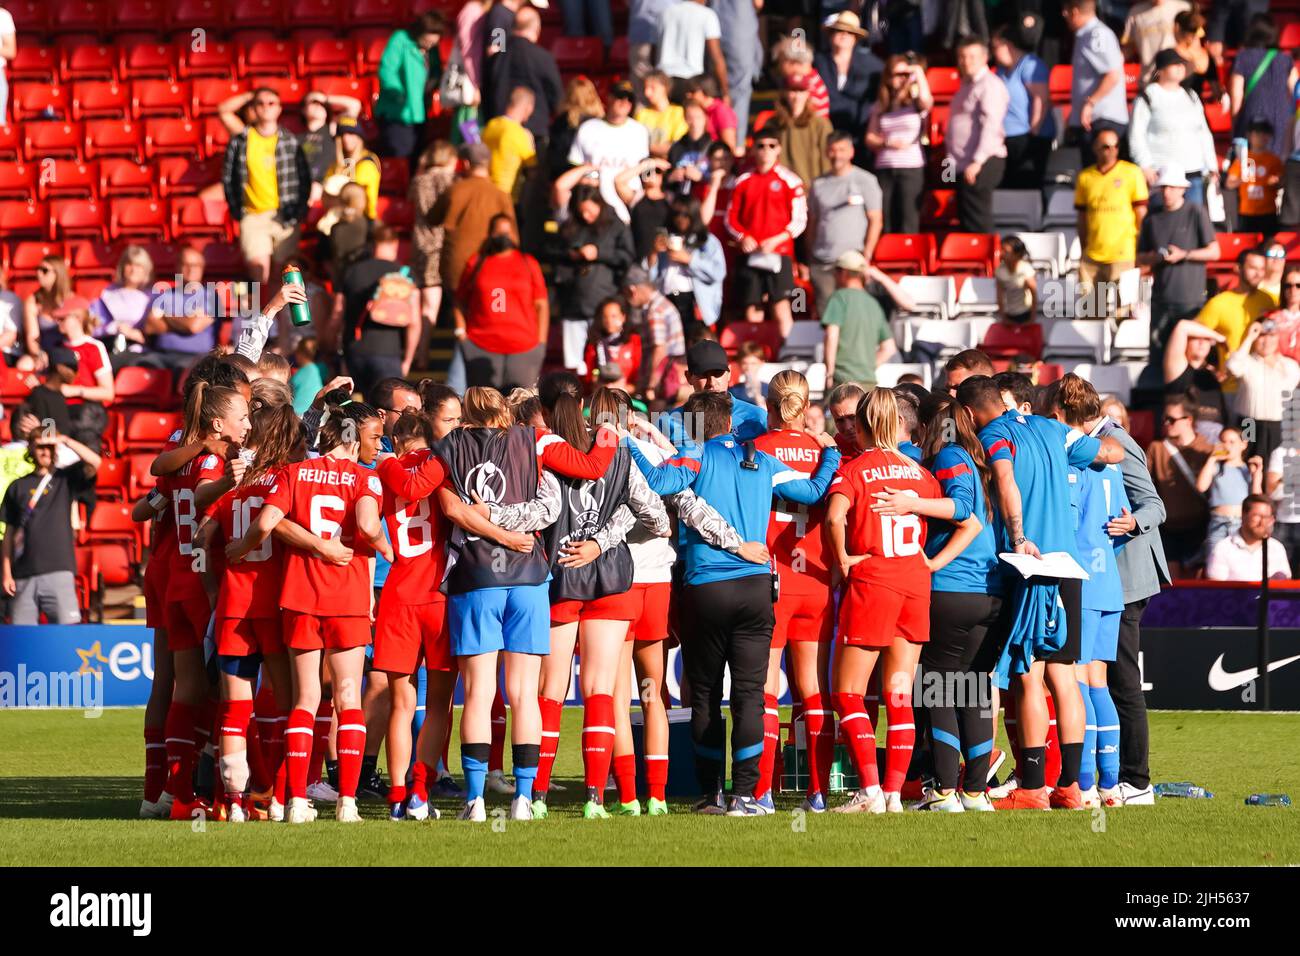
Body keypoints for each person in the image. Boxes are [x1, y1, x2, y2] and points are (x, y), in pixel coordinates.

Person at [631, 388, 840, 815]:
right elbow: (816, 490)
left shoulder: (696, 457)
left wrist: (629, 446)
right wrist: (831, 451)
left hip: (705, 588)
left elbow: (659, 482)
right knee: (749, 692)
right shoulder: (760, 459)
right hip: (754, 588)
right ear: (729, 422)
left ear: (696, 427)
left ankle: (712, 794)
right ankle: (747, 795)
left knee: (705, 693)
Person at [958, 374, 1125, 810]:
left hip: (1029, 562)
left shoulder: (995, 434)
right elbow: (1112, 452)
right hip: (1069, 565)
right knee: (1064, 676)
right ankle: (1072, 786)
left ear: (973, 412)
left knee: (1029, 676)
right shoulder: (1053, 430)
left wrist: (1017, 535)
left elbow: (1006, 479)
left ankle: (1032, 787)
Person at [226, 402, 392, 824]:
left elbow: (266, 523)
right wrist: (388, 551)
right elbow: (369, 527)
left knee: (304, 699)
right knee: (348, 697)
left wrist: (239, 550)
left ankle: (297, 802)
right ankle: (347, 802)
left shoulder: (293, 473)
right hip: (349, 599)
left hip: (300, 597)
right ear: (354, 439)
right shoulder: (365, 478)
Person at [531, 375, 671, 819]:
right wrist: (604, 537)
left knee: (549, 692)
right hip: (610, 580)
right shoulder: (619, 452)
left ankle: (535, 797)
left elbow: (543, 512)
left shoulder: (546, 451)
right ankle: (596, 799)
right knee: (601, 692)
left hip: (560, 578)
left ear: (550, 410)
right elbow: (655, 514)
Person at [824, 388, 943, 814]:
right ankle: (893, 793)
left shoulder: (855, 468)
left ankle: (870, 792)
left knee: (849, 693)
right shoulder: (918, 471)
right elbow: (954, 513)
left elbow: (835, 515)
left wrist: (842, 559)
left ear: (861, 425)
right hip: (914, 582)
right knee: (899, 695)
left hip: (874, 579)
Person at [154, 382, 251, 819]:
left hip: (178, 575)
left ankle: (177, 796)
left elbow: (164, 480)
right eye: (243, 417)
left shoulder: (185, 452)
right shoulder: (212, 460)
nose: (248, 425)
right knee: (218, 690)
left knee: (186, 688)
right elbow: (204, 492)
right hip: (203, 582)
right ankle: (214, 793)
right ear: (218, 423)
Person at [909, 393, 1004, 811]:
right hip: (989, 591)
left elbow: (965, 512)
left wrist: (931, 561)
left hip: (953, 587)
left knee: (938, 688)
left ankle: (945, 790)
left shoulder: (950, 456)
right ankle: (975, 791)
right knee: (974, 689)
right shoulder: (983, 461)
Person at [751, 371, 838, 811]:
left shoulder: (758, 449)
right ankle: (818, 792)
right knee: (813, 688)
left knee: (765, 688)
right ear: (807, 408)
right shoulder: (828, 454)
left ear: (768, 405)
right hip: (817, 580)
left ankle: (762, 792)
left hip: (772, 578)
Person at [1050, 375, 1133, 807]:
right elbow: (1120, 523)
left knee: (1075, 677)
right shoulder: (1112, 465)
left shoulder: (1074, 461)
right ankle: (1110, 784)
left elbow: (1064, 520)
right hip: (1109, 583)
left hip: (1078, 579)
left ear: (1060, 413)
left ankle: (1081, 784)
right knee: (1098, 680)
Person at [2, 429, 100, 625]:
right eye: (40, 446)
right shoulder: (16, 486)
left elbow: (96, 463)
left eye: (49, 446)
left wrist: (64, 439)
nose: (45, 451)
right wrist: (6, 573)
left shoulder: (65, 479)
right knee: (23, 641)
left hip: (59, 570)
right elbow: (9, 534)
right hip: (22, 574)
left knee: (66, 635)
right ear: (30, 448)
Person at [221, 87, 311, 288]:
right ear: (253, 108)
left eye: (271, 103)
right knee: (259, 275)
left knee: (283, 277)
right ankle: (265, 318)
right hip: (253, 215)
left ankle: (279, 318)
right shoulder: (242, 139)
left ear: (279, 109)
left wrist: (297, 213)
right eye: (260, 103)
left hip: (285, 216)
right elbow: (228, 178)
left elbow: (304, 180)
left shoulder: (290, 141)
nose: (265, 107)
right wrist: (238, 211)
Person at [724, 126, 807, 338]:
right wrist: (743, 237)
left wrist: (776, 240)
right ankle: (756, 356)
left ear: (778, 149)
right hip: (751, 256)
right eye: (761, 146)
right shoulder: (742, 181)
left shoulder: (790, 180)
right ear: (753, 150)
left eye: (771, 145)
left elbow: (799, 220)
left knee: (781, 306)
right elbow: (730, 218)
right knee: (753, 310)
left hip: (779, 254)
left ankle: (786, 355)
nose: (766, 150)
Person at [548, 183, 636, 374]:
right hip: (573, 304)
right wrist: (572, 254)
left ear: (598, 204)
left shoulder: (615, 225)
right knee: (575, 365)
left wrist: (599, 253)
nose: (586, 216)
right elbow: (552, 250)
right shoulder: (572, 224)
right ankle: (577, 401)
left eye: (589, 210)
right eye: (582, 212)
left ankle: (611, 404)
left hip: (602, 303)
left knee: (605, 363)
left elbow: (627, 257)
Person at [456, 214, 549, 391]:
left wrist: (541, 344)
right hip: (480, 345)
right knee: (483, 409)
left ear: (514, 234)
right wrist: (461, 334)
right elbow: (459, 300)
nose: (504, 237)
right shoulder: (477, 262)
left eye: (507, 232)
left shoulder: (528, 263)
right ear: (490, 235)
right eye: (499, 232)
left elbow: (542, 305)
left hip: (524, 347)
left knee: (520, 407)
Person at [1137, 168, 1220, 349]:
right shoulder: (1151, 218)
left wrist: (1184, 255)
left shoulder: (1196, 212)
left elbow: (1214, 252)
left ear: (1183, 189)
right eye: (1164, 187)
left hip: (1191, 300)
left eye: (1172, 187)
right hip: (1161, 300)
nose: (1167, 192)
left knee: (1188, 354)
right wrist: (1157, 257)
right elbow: (1140, 257)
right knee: (1159, 354)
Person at [801, 131, 883, 313]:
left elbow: (875, 220)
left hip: (852, 262)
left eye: (841, 149)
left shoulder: (866, 181)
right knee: (827, 314)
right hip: (822, 262)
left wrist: (866, 254)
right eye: (832, 150)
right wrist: (810, 256)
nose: (837, 154)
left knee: (853, 313)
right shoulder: (818, 184)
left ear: (851, 152)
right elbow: (813, 222)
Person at [1128, 51, 1217, 209]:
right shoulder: (1147, 97)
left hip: (1192, 172)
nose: (1180, 68)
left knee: (1191, 223)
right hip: (1161, 175)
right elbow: (1136, 134)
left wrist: (1211, 165)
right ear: (1161, 69)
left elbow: (1203, 132)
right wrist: (1145, 165)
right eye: (1175, 64)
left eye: (1182, 64)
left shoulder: (1191, 95)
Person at [340, 224, 421, 398]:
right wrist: (407, 359)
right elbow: (414, 322)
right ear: (395, 243)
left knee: (358, 413)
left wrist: (338, 350)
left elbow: (338, 314)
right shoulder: (405, 274)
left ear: (371, 244)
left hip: (355, 351)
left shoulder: (352, 271)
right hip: (389, 353)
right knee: (387, 413)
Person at [1075, 129, 1149, 304]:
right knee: (1091, 311)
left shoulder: (1132, 173)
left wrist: (1141, 249)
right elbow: (1082, 217)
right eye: (1106, 146)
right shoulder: (1085, 177)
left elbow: (1141, 214)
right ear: (1095, 148)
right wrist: (1084, 246)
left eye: (1115, 146)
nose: (1111, 150)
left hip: (1123, 254)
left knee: (1122, 311)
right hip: (1092, 255)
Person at [433, 142, 517, 294]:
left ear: (465, 164)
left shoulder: (454, 191)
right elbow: (513, 238)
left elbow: (431, 218)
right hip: (490, 274)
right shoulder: (502, 196)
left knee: (452, 315)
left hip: (455, 273)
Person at [657, 339, 767, 455]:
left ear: (729, 373)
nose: (712, 382)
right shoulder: (668, 421)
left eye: (718, 373)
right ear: (688, 377)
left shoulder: (756, 417)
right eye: (703, 375)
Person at [1146, 392, 1213, 576]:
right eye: (1164, 419)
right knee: (1172, 586)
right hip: (1168, 527)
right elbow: (1144, 483)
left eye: (1171, 419)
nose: (1166, 424)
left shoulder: (1207, 449)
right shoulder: (1156, 448)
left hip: (1199, 527)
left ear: (1188, 420)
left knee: (1196, 588)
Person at [947, 37, 1008, 235]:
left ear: (984, 58)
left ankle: (987, 264)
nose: (967, 61)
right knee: (965, 219)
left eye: (972, 57)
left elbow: (991, 125)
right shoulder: (966, 85)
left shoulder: (989, 85)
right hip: (962, 163)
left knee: (977, 220)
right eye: (962, 57)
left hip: (982, 160)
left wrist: (978, 161)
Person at [865, 54, 932, 235]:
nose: (900, 78)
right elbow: (869, 137)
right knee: (885, 216)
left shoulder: (915, 103)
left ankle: (907, 257)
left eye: (904, 74)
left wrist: (916, 71)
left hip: (910, 166)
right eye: (896, 74)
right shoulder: (881, 105)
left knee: (908, 216)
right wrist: (886, 142)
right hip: (884, 166)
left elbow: (927, 100)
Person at [567, 81, 651, 224]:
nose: (625, 102)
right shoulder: (588, 128)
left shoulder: (639, 131)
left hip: (628, 201)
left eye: (629, 99)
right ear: (609, 98)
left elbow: (646, 171)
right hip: (596, 205)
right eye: (620, 97)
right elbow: (575, 167)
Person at [374, 11, 447, 166]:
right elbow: (387, 70)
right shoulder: (400, 39)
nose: (431, 43)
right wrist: (398, 94)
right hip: (397, 114)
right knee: (400, 161)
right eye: (429, 37)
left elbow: (435, 71)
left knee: (417, 160)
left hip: (420, 113)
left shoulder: (432, 49)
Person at [821, 252, 901, 390]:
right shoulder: (873, 304)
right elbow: (889, 348)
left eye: (836, 271)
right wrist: (865, 369)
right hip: (868, 383)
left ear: (844, 273)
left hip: (842, 383)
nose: (834, 276)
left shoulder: (839, 298)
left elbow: (831, 335)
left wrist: (829, 374)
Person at [485, 5, 563, 146]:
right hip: (534, 133)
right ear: (537, 29)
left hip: (501, 130)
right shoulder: (543, 57)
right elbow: (556, 97)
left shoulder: (498, 58)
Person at [647, 194, 728, 330]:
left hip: (693, 302)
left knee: (695, 344)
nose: (680, 219)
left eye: (685, 214)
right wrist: (654, 253)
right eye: (676, 214)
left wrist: (690, 260)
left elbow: (718, 272)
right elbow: (652, 278)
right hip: (668, 298)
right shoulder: (665, 239)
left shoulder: (707, 240)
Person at [1226, 319, 1300, 466]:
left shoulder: (1289, 365)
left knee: (1274, 467)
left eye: (1271, 335)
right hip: (1248, 423)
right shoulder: (1247, 362)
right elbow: (1233, 366)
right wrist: (1249, 337)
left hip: (1277, 426)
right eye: (1262, 335)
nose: (1266, 341)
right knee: (1246, 462)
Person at [992, 22, 1056, 189]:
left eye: (996, 47)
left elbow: (1041, 99)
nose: (993, 52)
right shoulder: (999, 71)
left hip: (1028, 139)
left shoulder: (1030, 65)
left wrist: (1033, 133)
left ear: (1008, 45)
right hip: (1006, 139)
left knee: (1026, 186)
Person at [409, 140, 458, 352]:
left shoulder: (419, 180)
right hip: (442, 246)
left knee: (423, 301)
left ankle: (418, 349)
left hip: (420, 244)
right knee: (434, 303)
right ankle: (422, 352)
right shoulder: (453, 181)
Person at [1229, 14, 1298, 159]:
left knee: (1252, 164)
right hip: (1282, 116)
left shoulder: (1243, 57)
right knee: (1278, 164)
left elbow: (1236, 95)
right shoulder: (1285, 59)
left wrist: (1236, 124)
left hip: (1253, 114)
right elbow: (1295, 91)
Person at [51, 296, 114, 452]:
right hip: (59, 411)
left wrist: (75, 390)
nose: (58, 322)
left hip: (86, 412)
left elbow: (108, 392)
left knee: (84, 435)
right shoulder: (56, 348)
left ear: (78, 318)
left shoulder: (93, 347)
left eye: (63, 318)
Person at [143, 246, 220, 371]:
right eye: (186, 264)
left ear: (202, 268)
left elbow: (193, 326)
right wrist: (184, 321)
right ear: (177, 267)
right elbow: (150, 327)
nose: (191, 269)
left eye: (195, 265)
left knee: (184, 371)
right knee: (142, 365)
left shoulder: (211, 297)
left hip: (195, 358)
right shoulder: (164, 295)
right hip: (161, 354)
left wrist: (165, 315)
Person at [1063, 0, 1129, 144]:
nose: (1064, 15)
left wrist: (1090, 103)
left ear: (1074, 12)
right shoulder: (1085, 35)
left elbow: (1112, 74)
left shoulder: (1097, 35)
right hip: (1092, 119)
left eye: (1066, 11)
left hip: (1103, 120)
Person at [813, 11, 881, 142]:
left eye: (850, 32)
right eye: (839, 31)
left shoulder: (872, 65)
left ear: (856, 38)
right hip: (824, 132)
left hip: (860, 134)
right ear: (830, 35)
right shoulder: (817, 62)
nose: (844, 35)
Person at [1196, 247, 1277, 357]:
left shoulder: (1269, 300)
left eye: (1262, 269)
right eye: (1253, 268)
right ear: (1238, 268)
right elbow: (1195, 338)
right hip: (1231, 373)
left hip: (1262, 372)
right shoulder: (1218, 303)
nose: (1258, 274)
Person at [625, 265, 686, 402]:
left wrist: (651, 385)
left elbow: (660, 349)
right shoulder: (660, 304)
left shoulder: (655, 311)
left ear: (632, 290)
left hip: (665, 382)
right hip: (671, 376)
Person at [1196, 425, 1263, 549]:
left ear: (1243, 444)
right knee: (1214, 561)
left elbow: (1256, 498)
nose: (1227, 446)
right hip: (1218, 522)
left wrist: (1257, 476)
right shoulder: (1216, 467)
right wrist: (1212, 459)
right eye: (1223, 441)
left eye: (1232, 442)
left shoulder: (1248, 469)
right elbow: (1201, 486)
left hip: (1241, 523)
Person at [92, 246, 155, 369]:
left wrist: (136, 334)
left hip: (137, 349)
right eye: (129, 264)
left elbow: (155, 332)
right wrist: (112, 327)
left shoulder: (152, 296)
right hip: (107, 344)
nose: (133, 270)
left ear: (146, 270)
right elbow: (95, 323)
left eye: (139, 266)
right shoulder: (107, 292)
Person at [1162, 318, 1229, 433]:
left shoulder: (1213, 372)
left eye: (1206, 339)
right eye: (1195, 338)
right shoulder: (1177, 367)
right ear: (1185, 341)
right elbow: (1182, 326)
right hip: (1188, 437)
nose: (1202, 342)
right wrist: (1219, 337)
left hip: (1218, 438)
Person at [1206, 494, 1293, 580]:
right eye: (1257, 516)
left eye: (1266, 517)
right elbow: (1217, 589)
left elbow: (1285, 585)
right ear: (1243, 515)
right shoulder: (1223, 548)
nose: (1262, 522)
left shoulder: (1277, 548)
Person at [708, 0, 760, 142]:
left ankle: (718, 144)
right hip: (739, 29)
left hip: (712, 26)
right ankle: (736, 146)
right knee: (740, 91)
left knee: (714, 90)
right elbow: (758, 4)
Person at [656, 0, 728, 101]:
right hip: (691, 82)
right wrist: (725, 92)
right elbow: (716, 57)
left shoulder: (664, 12)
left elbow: (655, 48)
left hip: (663, 80)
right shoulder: (707, 14)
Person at [771, 73, 832, 191]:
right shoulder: (774, 124)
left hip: (812, 192)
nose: (797, 96)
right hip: (781, 191)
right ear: (784, 93)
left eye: (801, 91)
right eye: (792, 91)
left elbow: (827, 161)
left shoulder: (821, 124)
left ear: (808, 94)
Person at [1225, 117, 1283, 233]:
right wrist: (1242, 179)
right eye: (1257, 132)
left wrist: (1275, 182)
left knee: (1268, 243)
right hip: (1247, 213)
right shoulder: (1242, 160)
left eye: (1264, 133)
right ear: (1249, 135)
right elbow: (1229, 184)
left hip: (1268, 212)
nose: (1261, 136)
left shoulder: (1274, 160)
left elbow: (1281, 182)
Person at [483, 86, 537, 202]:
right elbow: (531, 172)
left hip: (485, 191)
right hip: (505, 197)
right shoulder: (521, 134)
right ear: (528, 108)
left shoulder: (491, 125)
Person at [615, 157, 672, 263]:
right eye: (648, 171)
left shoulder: (670, 199)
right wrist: (648, 164)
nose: (653, 174)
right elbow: (619, 181)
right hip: (640, 259)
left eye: (657, 171)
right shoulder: (636, 197)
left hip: (665, 259)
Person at [549, 77, 606, 182]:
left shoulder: (562, 122)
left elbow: (555, 155)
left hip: (566, 176)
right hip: (596, 176)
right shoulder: (601, 123)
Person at [20, 255, 70, 369]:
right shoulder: (33, 301)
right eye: (37, 269)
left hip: (66, 351)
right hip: (42, 351)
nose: (39, 273)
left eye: (44, 270)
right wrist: (41, 354)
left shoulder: (69, 299)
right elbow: (33, 338)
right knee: (24, 365)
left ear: (58, 273)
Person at [583, 296, 642, 391]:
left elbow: (640, 374)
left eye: (614, 316)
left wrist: (625, 388)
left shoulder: (634, 341)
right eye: (605, 317)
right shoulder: (595, 343)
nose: (609, 321)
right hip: (602, 396)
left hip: (626, 397)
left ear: (623, 317)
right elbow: (589, 376)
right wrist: (596, 379)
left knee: (621, 406)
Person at [1123, 0, 1192, 79]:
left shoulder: (1184, 8)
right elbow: (1129, 47)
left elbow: (1194, 45)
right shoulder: (1135, 12)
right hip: (1148, 80)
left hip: (1178, 81)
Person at [771, 33, 831, 120]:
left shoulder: (804, 82)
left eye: (781, 61)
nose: (778, 66)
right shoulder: (807, 77)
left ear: (793, 62)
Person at [1174, 9, 1225, 103]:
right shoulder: (1206, 56)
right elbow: (1217, 93)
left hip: (1173, 113)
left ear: (1176, 27)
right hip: (1197, 112)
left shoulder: (1171, 56)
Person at [635, 71, 688, 159]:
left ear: (664, 87)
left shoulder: (678, 112)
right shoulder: (642, 114)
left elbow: (676, 147)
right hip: (645, 167)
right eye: (645, 88)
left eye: (652, 88)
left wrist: (646, 147)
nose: (647, 93)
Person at [684, 74, 738, 154]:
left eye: (693, 91)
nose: (688, 95)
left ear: (705, 91)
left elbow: (729, 146)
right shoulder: (700, 110)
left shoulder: (721, 111)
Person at [995, 236, 1038, 325]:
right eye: (1001, 250)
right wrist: (1003, 317)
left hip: (1026, 314)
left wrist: (1032, 318)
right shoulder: (999, 271)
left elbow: (1034, 294)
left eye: (1006, 251)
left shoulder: (1026, 269)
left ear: (1017, 255)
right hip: (1009, 314)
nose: (1001, 254)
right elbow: (999, 296)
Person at [1266, 265, 1300, 362]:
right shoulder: (1271, 318)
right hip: (1278, 372)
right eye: (1288, 285)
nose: (1293, 290)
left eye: (1299, 285)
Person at [728, 341, 767, 405]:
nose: (749, 367)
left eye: (753, 363)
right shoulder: (733, 391)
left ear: (761, 363)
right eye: (744, 363)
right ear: (739, 363)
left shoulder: (768, 389)